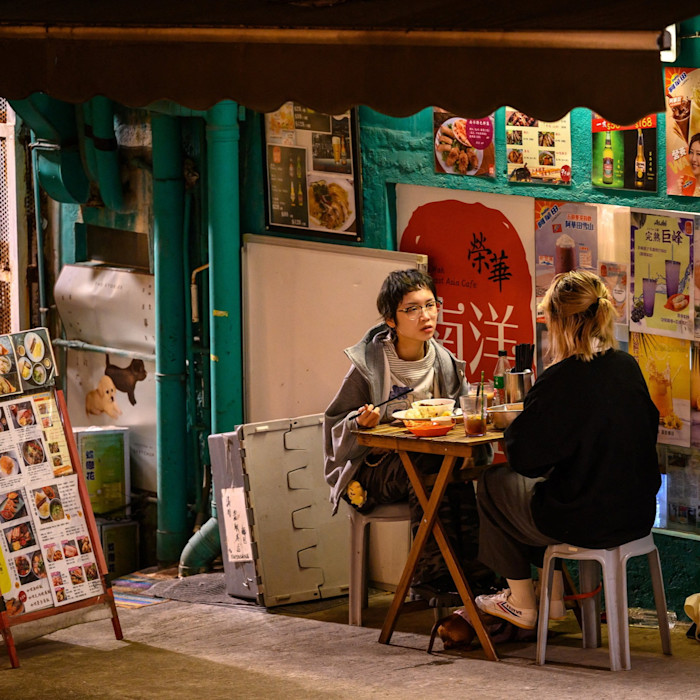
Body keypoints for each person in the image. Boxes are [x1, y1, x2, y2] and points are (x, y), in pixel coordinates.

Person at [474, 270, 660, 629]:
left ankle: (522, 603)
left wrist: (518, 421)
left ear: (559, 323)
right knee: (539, 490)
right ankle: (554, 598)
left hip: (584, 520)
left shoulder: (561, 379)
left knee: (494, 483)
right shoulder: (627, 366)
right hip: (637, 514)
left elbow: (524, 459)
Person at [323, 269, 496, 596]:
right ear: (391, 319)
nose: (426, 315)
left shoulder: (444, 362)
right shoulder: (369, 365)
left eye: (430, 305)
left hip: (425, 466)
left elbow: (465, 413)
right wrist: (359, 423)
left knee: (447, 470)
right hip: (371, 473)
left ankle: (466, 575)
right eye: (412, 309)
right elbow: (334, 424)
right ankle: (438, 575)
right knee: (430, 464)